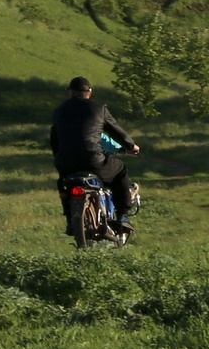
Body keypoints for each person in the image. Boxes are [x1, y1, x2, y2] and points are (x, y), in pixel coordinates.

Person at [49, 76, 140, 240]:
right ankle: (123, 217)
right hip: (93, 160)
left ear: (70, 93)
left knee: (64, 185)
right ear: (89, 93)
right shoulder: (98, 107)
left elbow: (54, 139)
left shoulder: (59, 110)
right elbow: (115, 130)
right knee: (120, 171)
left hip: (65, 163)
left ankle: (70, 220)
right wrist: (131, 146)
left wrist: (60, 160)